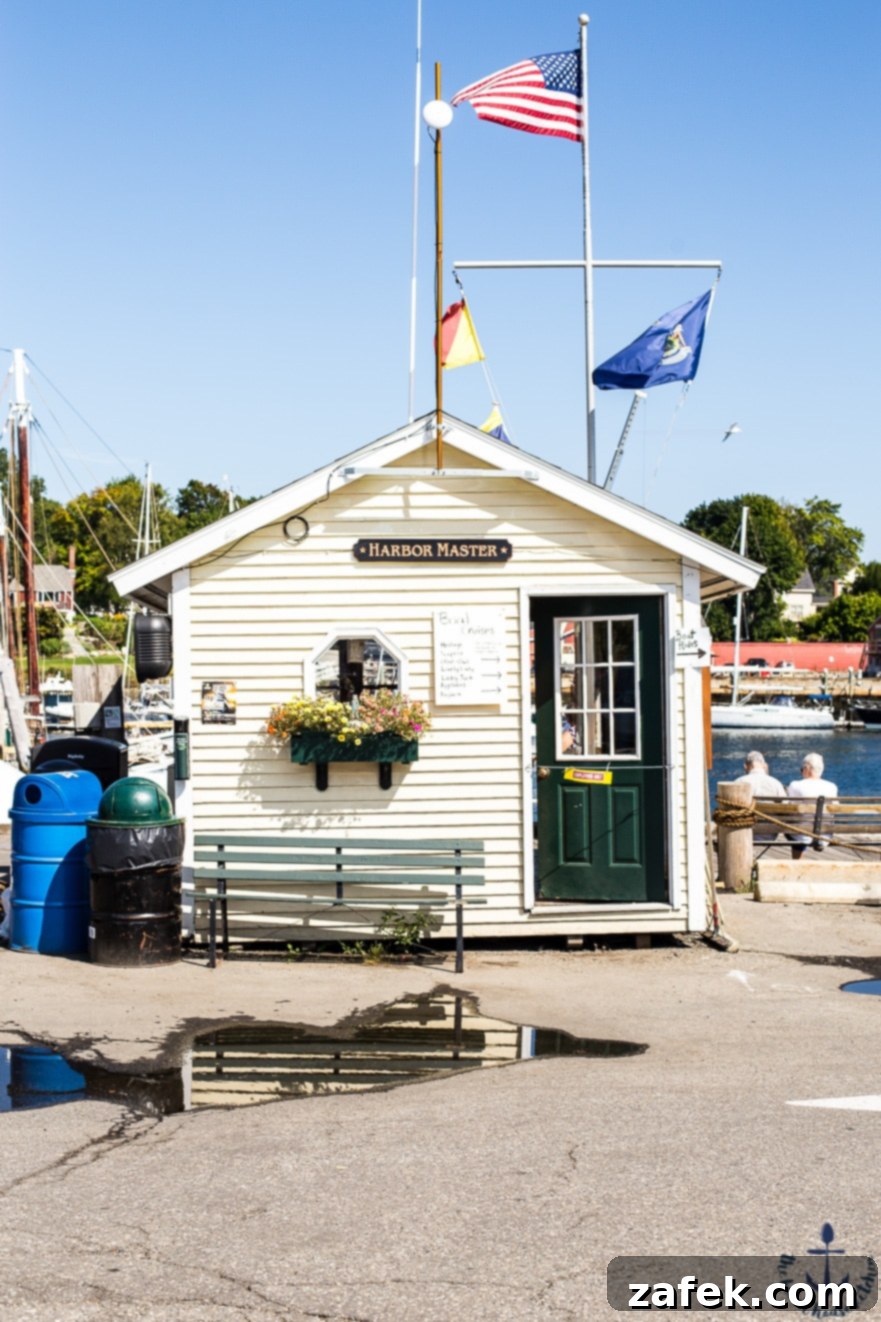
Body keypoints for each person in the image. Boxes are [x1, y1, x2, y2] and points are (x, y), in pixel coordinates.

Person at [786, 752, 839, 860]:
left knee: (793, 826)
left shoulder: (795, 785)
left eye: (802, 769)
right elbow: (836, 809)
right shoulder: (832, 787)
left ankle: (798, 862)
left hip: (802, 835)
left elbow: (789, 809)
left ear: (807, 768)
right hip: (825, 835)